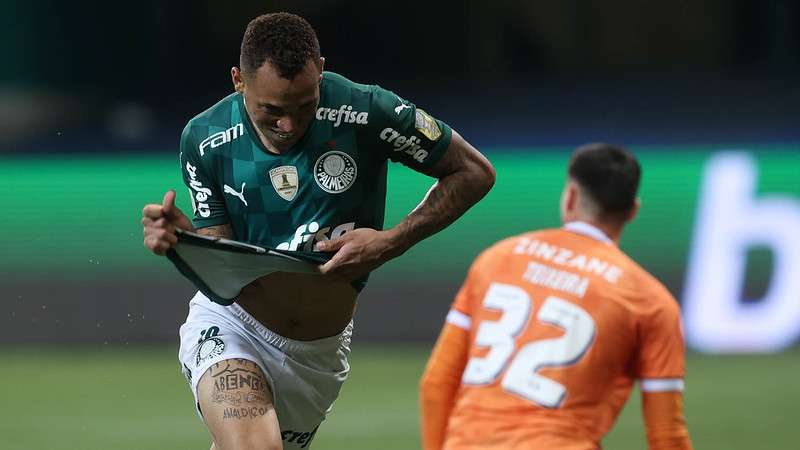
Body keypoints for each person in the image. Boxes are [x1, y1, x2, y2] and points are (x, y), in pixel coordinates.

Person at [141, 12, 495, 450]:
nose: (288, 125)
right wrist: (185, 243)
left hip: (318, 355)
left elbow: (473, 172)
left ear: (321, 71)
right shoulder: (205, 138)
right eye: (271, 110)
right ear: (238, 80)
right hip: (234, 327)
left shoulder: (366, 111)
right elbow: (222, 267)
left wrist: (390, 242)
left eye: (304, 106)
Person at [420, 143, 692, 450]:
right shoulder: (650, 301)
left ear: (571, 197)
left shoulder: (497, 258)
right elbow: (666, 436)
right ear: (632, 211)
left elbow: (437, 383)